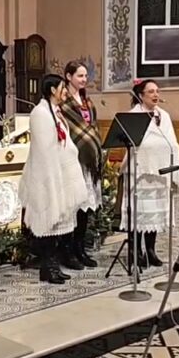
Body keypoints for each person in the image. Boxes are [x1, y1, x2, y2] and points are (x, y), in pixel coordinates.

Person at [19, 74, 87, 285]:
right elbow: (44, 149)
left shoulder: (55, 111)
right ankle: (47, 268)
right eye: (62, 88)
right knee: (48, 222)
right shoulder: (40, 113)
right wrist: (52, 178)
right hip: (47, 176)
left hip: (60, 176)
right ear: (52, 90)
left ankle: (53, 265)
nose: (65, 92)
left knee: (58, 224)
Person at [121, 79, 179, 268]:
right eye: (151, 91)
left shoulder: (164, 115)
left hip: (160, 172)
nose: (156, 95)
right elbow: (134, 143)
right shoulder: (133, 116)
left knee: (154, 214)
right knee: (139, 212)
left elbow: (172, 142)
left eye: (157, 91)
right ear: (140, 95)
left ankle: (150, 250)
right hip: (140, 172)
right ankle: (135, 252)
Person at [61, 60, 103, 269]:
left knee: (85, 208)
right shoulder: (63, 101)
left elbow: (92, 128)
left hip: (88, 161)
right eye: (80, 75)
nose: (84, 79)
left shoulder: (87, 101)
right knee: (73, 207)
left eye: (85, 76)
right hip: (72, 159)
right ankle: (68, 252)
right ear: (68, 77)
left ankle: (80, 249)